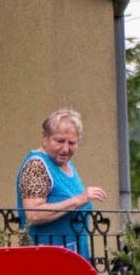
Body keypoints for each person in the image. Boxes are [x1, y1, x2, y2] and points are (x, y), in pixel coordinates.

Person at [15, 108, 107, 259]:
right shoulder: (36, 165)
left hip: (73, 255)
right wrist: (79, 200)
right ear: (45, 138)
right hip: (47, 258)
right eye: (59, 141)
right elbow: (33, 214)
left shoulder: (67, 164)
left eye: (72, 143)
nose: (65, 149)